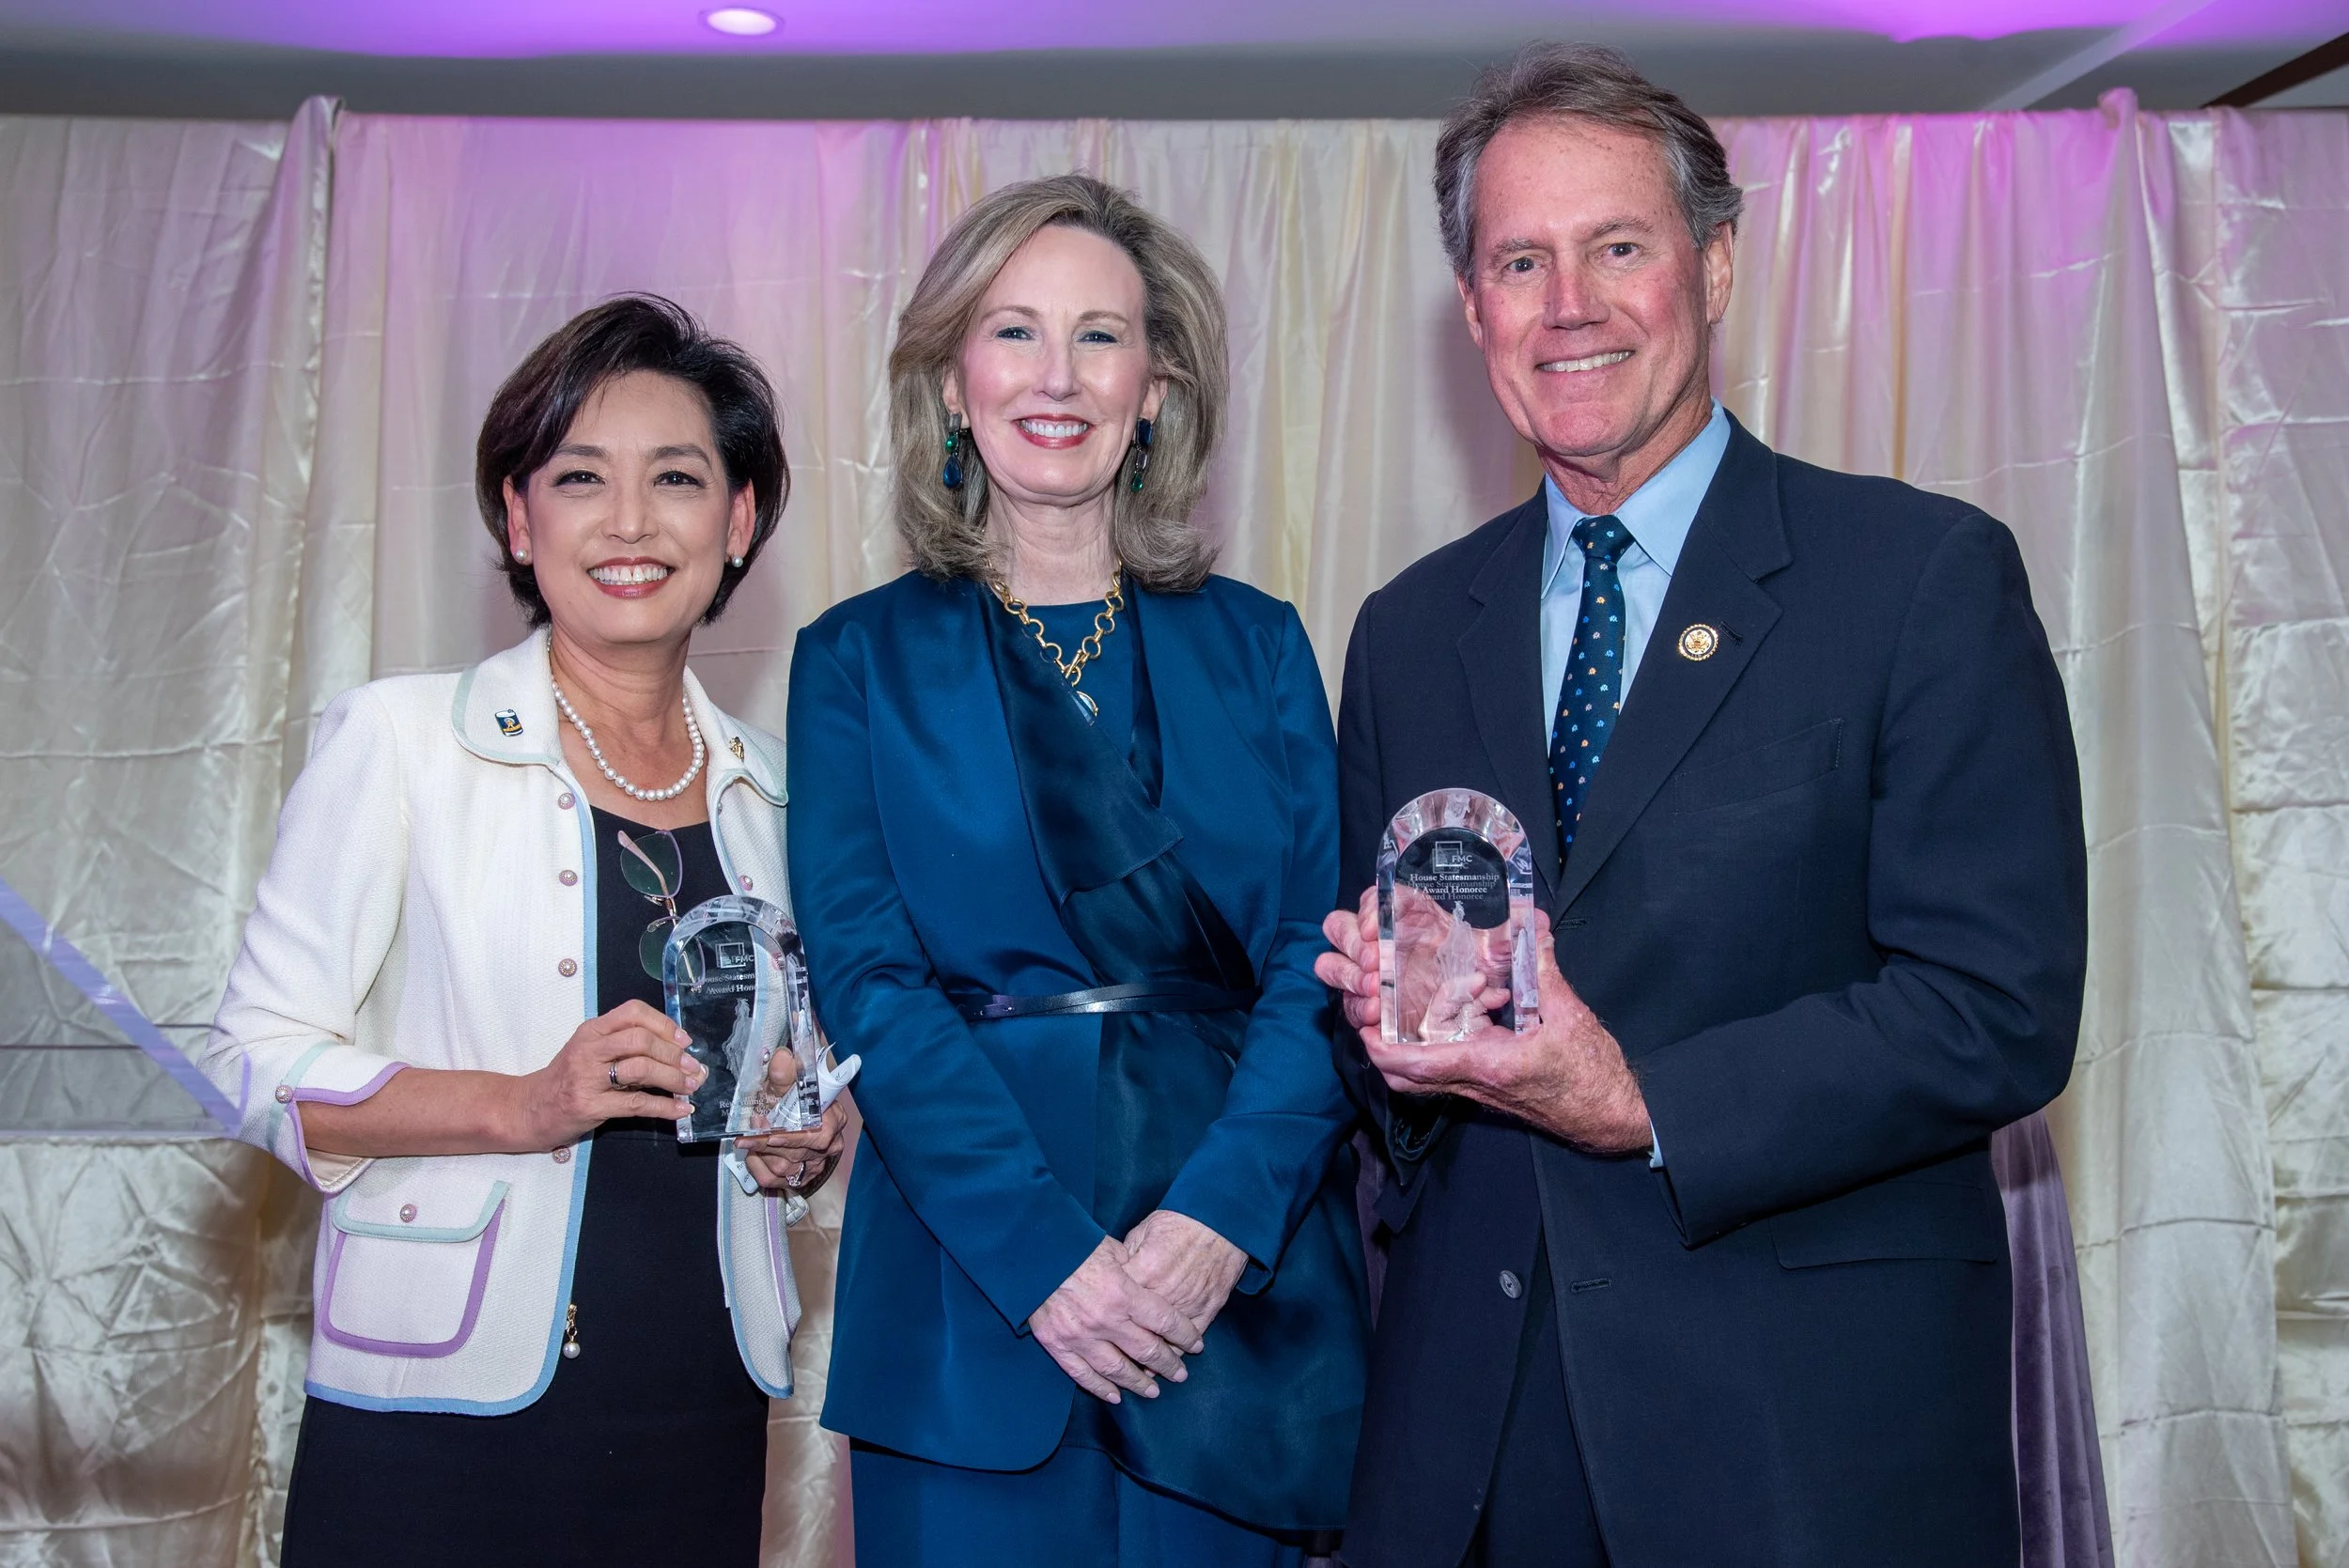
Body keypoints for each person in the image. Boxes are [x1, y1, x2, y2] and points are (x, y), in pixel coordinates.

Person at [1313, 43, 2089, 1568]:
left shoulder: (1917, 579)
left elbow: (1997, 1007)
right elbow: (1405, 1093)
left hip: (1802, 1439)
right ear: (1473, 311)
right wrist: (1385, 1035)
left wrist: (1645, 1101)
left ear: (1715, 264)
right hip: (1475, 1443)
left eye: (1618, 247)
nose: (1570, 305)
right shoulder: (1409, 630)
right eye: (1519, 262)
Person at [197, 295, 848, 1566]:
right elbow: (247, 1059)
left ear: (738, 519)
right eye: (579, 477)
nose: (627, 522)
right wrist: (521, 1103)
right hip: (435, 1413)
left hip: (700, 1398)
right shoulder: (401, 742)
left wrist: (804, 1132)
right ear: (517, 516)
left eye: (675, 477)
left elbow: (793, 1066)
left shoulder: (781, 795)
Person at [786, 174, 1367, 1566]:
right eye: (1014, 332)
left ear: (1157, 386)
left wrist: (1223, 1219)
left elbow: (1320, 956)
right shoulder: (855, 659)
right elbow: (872, 985)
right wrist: (1042, 1251)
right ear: (950, 376)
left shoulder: (1264, 644)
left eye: (1101, 337)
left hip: (1235, 1290)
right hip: (969, 1297)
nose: (1059, 378)